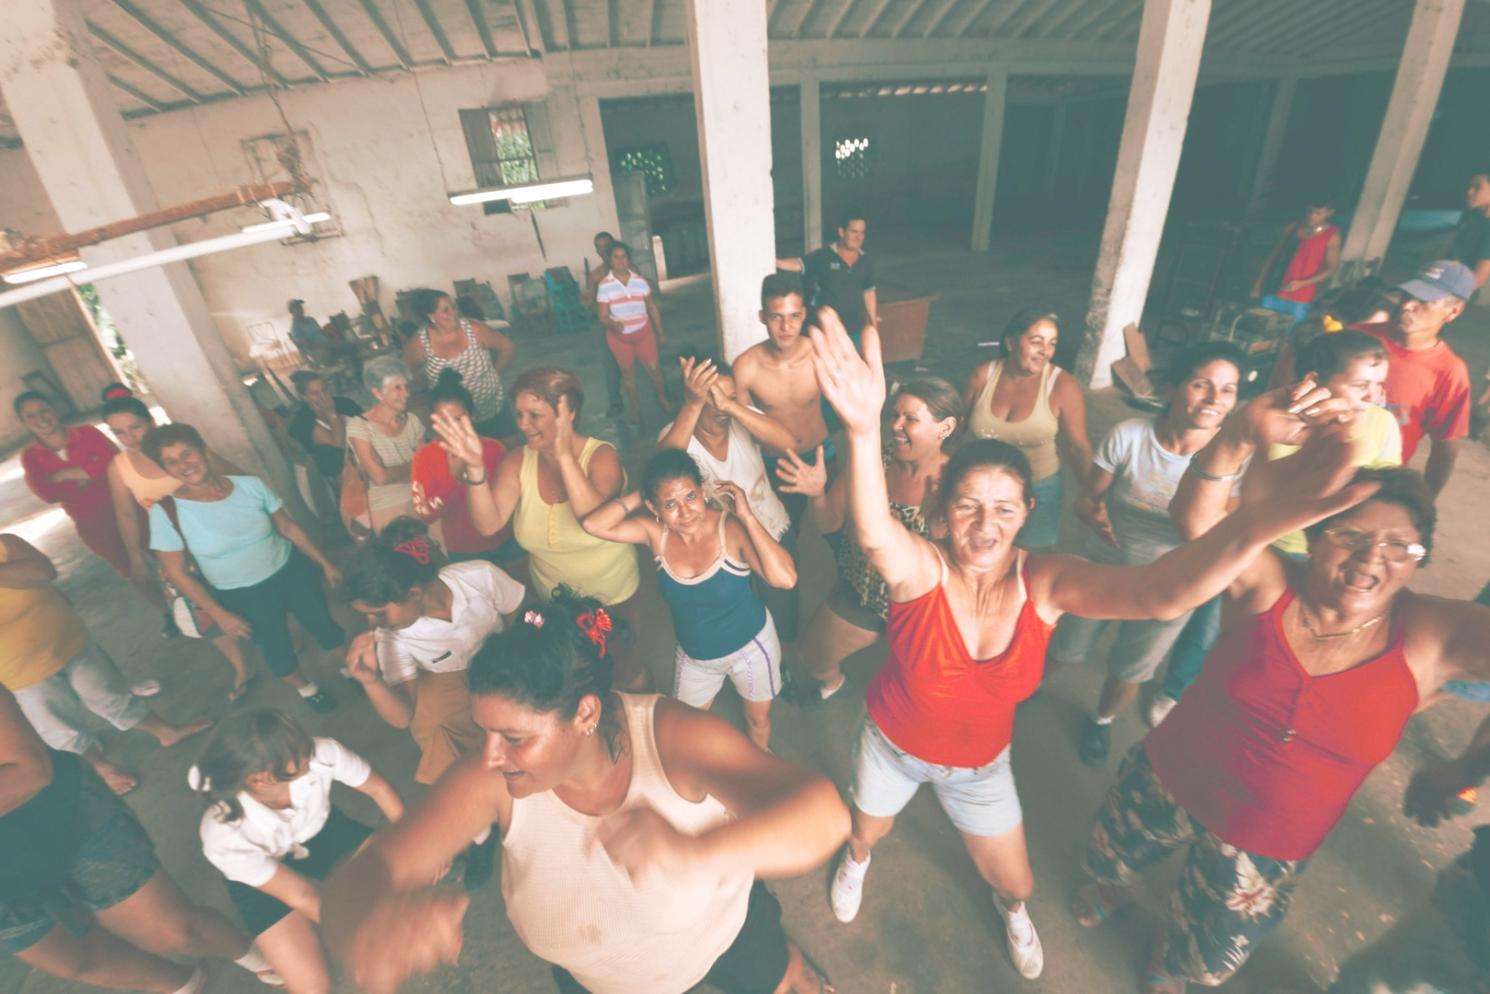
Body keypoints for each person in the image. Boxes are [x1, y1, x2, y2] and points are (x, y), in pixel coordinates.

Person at [810, 310, 1371, 980]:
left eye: (1004, 509)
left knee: (1016, 885)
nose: (985, 526)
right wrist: (861, 429)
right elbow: (874, 532)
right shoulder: (920, 570)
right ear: (939, 514)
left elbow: (1162, 594)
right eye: (966, 507)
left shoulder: (1043, 581)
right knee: (866, 832)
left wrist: (1253, 509)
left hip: (979, 769)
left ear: (1027, 514)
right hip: (892, 747)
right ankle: (859, 862)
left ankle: (1012, 913)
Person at [1073, 384, 1490, 994]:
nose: (1372, 558)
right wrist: (1241, 434)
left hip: (1273, 838)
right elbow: (1198, 521)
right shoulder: (1271, 584)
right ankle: (1110, 889)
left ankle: (1169, 961)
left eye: (1400, 545)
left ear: (1419, 559)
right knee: (1114, 854)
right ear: (1313, 536)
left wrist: (1470, 768)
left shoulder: (1431, 634)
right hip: (1172, 775)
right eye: (1350, 535)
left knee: (1206, 944)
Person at [319, 590, 848, 994]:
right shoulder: (494, 779)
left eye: (515, 738)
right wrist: (369, 932)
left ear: (586, 714)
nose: (489, 755)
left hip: (729, 938)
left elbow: (823, 815)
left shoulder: (673, 740)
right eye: (485, 732)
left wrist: (694, 852)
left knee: (778, 977)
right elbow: (365, 875)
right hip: (598, 981)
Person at [0, 683, 280, 994]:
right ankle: (182, 985)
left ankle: (255, 957)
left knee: (172, 931)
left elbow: (29, 771)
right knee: (75, 960)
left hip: (62, 817)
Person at [1049, 343, 1244, 766]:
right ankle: (1023, 692)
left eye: (1228, 390)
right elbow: (1087, 500)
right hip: (1104, 568)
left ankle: (1101, 722)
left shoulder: (1235, 463)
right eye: (1201, 385)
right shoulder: (1130, 434)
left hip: (1171, 587)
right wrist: (1091, 513)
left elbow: (1222, 536)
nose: (1215, 400)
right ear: (1172, 389)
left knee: (1131, 668)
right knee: (1065, 645)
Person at [431, 368, 651, 692]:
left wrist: (562, 455)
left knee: (625, 670)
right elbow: (488, 524)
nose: (522, 425)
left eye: (534, 415)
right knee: (579, 676)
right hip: (554, 601)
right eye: (519, 414)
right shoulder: (519, 461)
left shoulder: (602, 457)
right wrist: (475, 472)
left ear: (569, 415)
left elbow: (591, 519)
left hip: (612, 597)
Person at [582, 450, 796, 749]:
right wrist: (640, 496)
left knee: (758, 722)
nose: (685, 512)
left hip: (752, 649)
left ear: (703, 491)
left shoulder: (730, 528)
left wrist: (746, 516)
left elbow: (784, 579)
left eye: (691, 497)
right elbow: (594, 525)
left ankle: (760, 761)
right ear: (653, 508)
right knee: (682, 729)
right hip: (696, 659)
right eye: (670, 504)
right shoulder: (656, 534)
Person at [773, 376, 963, 701]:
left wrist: (942, 531)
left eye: (911, 419)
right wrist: (818, 494)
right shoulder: (874, 459)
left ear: (944, 428)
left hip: (920, 607)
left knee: (920, 689)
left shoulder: (958, 483)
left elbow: (963, 570)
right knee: (811, 657)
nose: (896, 426)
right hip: (862, 589)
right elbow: (829, 522)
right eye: (894, 415)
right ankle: (831, 685)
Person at [193, 709, 404, 994]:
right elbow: (302, 894)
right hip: (261, 880)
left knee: (404, 871)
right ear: (259, 779)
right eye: (299, 753)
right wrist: (357, 942)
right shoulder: (223, 836)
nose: (309, 751)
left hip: (322, 833)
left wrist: (416, 839)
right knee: (311, 987)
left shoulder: (322, 751)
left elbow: (378, 788)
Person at [144, 423, 344, 713]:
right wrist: (219, 613)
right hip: (240, 595)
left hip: (290, 571)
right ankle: (308, 689)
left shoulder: (250, 486)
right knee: (277, 650)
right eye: (171, 462)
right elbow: (178, 573)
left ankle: (351, 670)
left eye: (188, 454)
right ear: (165, 469)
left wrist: (324, 562)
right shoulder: (165, 513)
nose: (184, 465)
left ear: (203, 451)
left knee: (324, 624)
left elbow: (287, 526)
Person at [0, 532, 211, 795]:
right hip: (18, 672)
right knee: (59, 725)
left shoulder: (6, 544)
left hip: (69, 641)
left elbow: (43, 572)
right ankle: (102, 768)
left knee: (110, 693)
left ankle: (165, 731)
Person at [341, 517, 525, 787]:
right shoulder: (391, 637)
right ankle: (472, 791)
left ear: (414, 593)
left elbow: (518, 620)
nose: (375, 625)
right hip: (449, 676)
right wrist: (371, 681)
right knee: (433, 725)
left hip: (504, 656)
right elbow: (403, 716)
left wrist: (517, 666)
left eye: (379, 613)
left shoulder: (480, 576)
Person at [102, 395, 254, 698]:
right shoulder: (120, 467)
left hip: (221, 536)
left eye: (135, 427)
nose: (129, 438)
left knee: (247, 592)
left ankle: (274, 635)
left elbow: (237, 476)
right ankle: (241, 666)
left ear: (151, 422)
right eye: (119, 432)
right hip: (176, 550)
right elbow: (126, 515)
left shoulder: (179, 450)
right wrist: (136, 555)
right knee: (201, 612)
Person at [733, 273, 831, 645]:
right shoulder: (747, 366)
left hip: (823, 457)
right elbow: (739, 433)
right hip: (776, 467)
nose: (785, 326)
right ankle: (786, 639)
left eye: (793, 315)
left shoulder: (821, 353)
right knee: (783, 547)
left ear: (804, 313)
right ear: (762, 316)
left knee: (843, 535)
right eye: (776, 316)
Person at [963, 308, 1094, 551]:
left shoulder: (1062, 386)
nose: (1045, 351)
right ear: (1011, 342)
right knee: (977, 552)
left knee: (1029, 562)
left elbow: (1078, 448)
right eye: (1036, 342)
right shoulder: (983, 376)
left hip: (1038, 489)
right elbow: (956, 430)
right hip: (981, 487)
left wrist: (1093, 498)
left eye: (1052, 344)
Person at [1354, 260, 1475, 495]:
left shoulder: (1450, 372)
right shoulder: (1357, 338)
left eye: (1424, 300)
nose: (1408, 305)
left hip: (1378, 489)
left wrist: (1424, 503)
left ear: (1454, 310)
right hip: (1319, 467)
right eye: (1406, 296)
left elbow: (1445, 450)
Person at [657, 354, 795, 542]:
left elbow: (789, 445)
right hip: (727, 549)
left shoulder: (743, 418)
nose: (721, 406)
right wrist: (692, 404)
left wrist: (730, 405)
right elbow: (664, 469)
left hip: (776, 531)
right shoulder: (675, 434)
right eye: (713, 397)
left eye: (731, 397)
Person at [16, 392, 137, 585]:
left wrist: (62, 476)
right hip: (92, 523)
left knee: (165, 555)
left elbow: (114, 461)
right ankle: (166, 613)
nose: (40, 419)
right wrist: (92, 471)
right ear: (23, 422)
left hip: (129, 505)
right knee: (131, 574)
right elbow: (47, 493)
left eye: (43, 410)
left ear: (54, 410)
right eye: (30, 415)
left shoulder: (87, 432)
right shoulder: (30, 456)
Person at [410, 369, 512, 564]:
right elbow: (426, 515)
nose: (454, 427)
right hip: (465, 550)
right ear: (434, 423)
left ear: (471, 416)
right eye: (445, 420)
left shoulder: (494, 448)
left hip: (507, 541)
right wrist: (453, 479)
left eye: (459, 418)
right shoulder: (424, 457)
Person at [402, 288, 516, 440]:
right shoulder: (420, 343)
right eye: (445, 310)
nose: (453, 313)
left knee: (507, 448)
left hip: (491, 408)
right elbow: (407, 371)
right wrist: (430, 387)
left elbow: (507, 347)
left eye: (453, 307)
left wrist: (495, 372)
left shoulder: (475, 330)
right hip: (455, 420)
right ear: (431, 316)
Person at [347, 357, 426, 534]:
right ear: (378, 393)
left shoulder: (412, 421)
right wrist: (414, 465)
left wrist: (393, 471)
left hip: (420, 499)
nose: (406, 394)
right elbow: (380, 478)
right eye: (397, 388)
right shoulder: (359, 426)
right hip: (386, 506)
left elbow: (426, 468)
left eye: (406, 387)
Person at [594, 241, 669, 424]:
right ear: (610, 260)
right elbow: (602, 316)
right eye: (615, 257)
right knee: (628, 374)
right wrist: (612, 323)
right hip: (619, 338)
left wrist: (660, 333)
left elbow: (651, 307)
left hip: (643, 332)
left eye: (624, 256)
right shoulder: (605, 285)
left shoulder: (640, 281)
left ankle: (662, 399)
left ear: (628, 259)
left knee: (654, 369)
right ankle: (636, 409)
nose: (620, 261)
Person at [777, 210, 877, 339]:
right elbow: (798, 264)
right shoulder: (823, 256)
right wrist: (775, 262)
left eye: (862, 232)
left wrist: (873, 326)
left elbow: (869, 294)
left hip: (855, 331)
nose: (858, 237)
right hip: (827, 332)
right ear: (841, 232)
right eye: (853, 231)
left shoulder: (866, 260)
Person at [1251, 196, 1342, 322]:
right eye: (1310, 211)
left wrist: (1302, 283)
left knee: (1287, 332)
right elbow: (1273, 257)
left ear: (1329, 213)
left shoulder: (1332, 236)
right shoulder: (1292, 228)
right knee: (1260, 325)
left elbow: (1331, 270)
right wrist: (1257, 285)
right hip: (1274, 288)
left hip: (1301, 297)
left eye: (1318, 213)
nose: (1312, 216)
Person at [285, 370, 361, 488]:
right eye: (315, 393)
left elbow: (370, 424)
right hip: (341, 476)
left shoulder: (345, 404)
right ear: (304, 396)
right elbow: (339, 445)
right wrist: (331, 413)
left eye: (324, 390)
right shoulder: (303, 424)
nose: (323, 396)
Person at [584, 230, 626, 418]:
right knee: (610, 366)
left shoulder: (629, 268)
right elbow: (589, 302)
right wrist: (603, 312)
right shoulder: (596, 276)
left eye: (606, 246)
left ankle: (661, 395)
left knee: (648, 361)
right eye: (599, 247)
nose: (603, 250)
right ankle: (616, 402)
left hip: (631, 322)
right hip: (606, 324)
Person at [1447, 166, 1490, 291]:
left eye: (1477, 187)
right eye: (1470, 186)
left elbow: (1478, 278)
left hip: (1458, 292)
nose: (1469, 191)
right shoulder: (1471, 216)